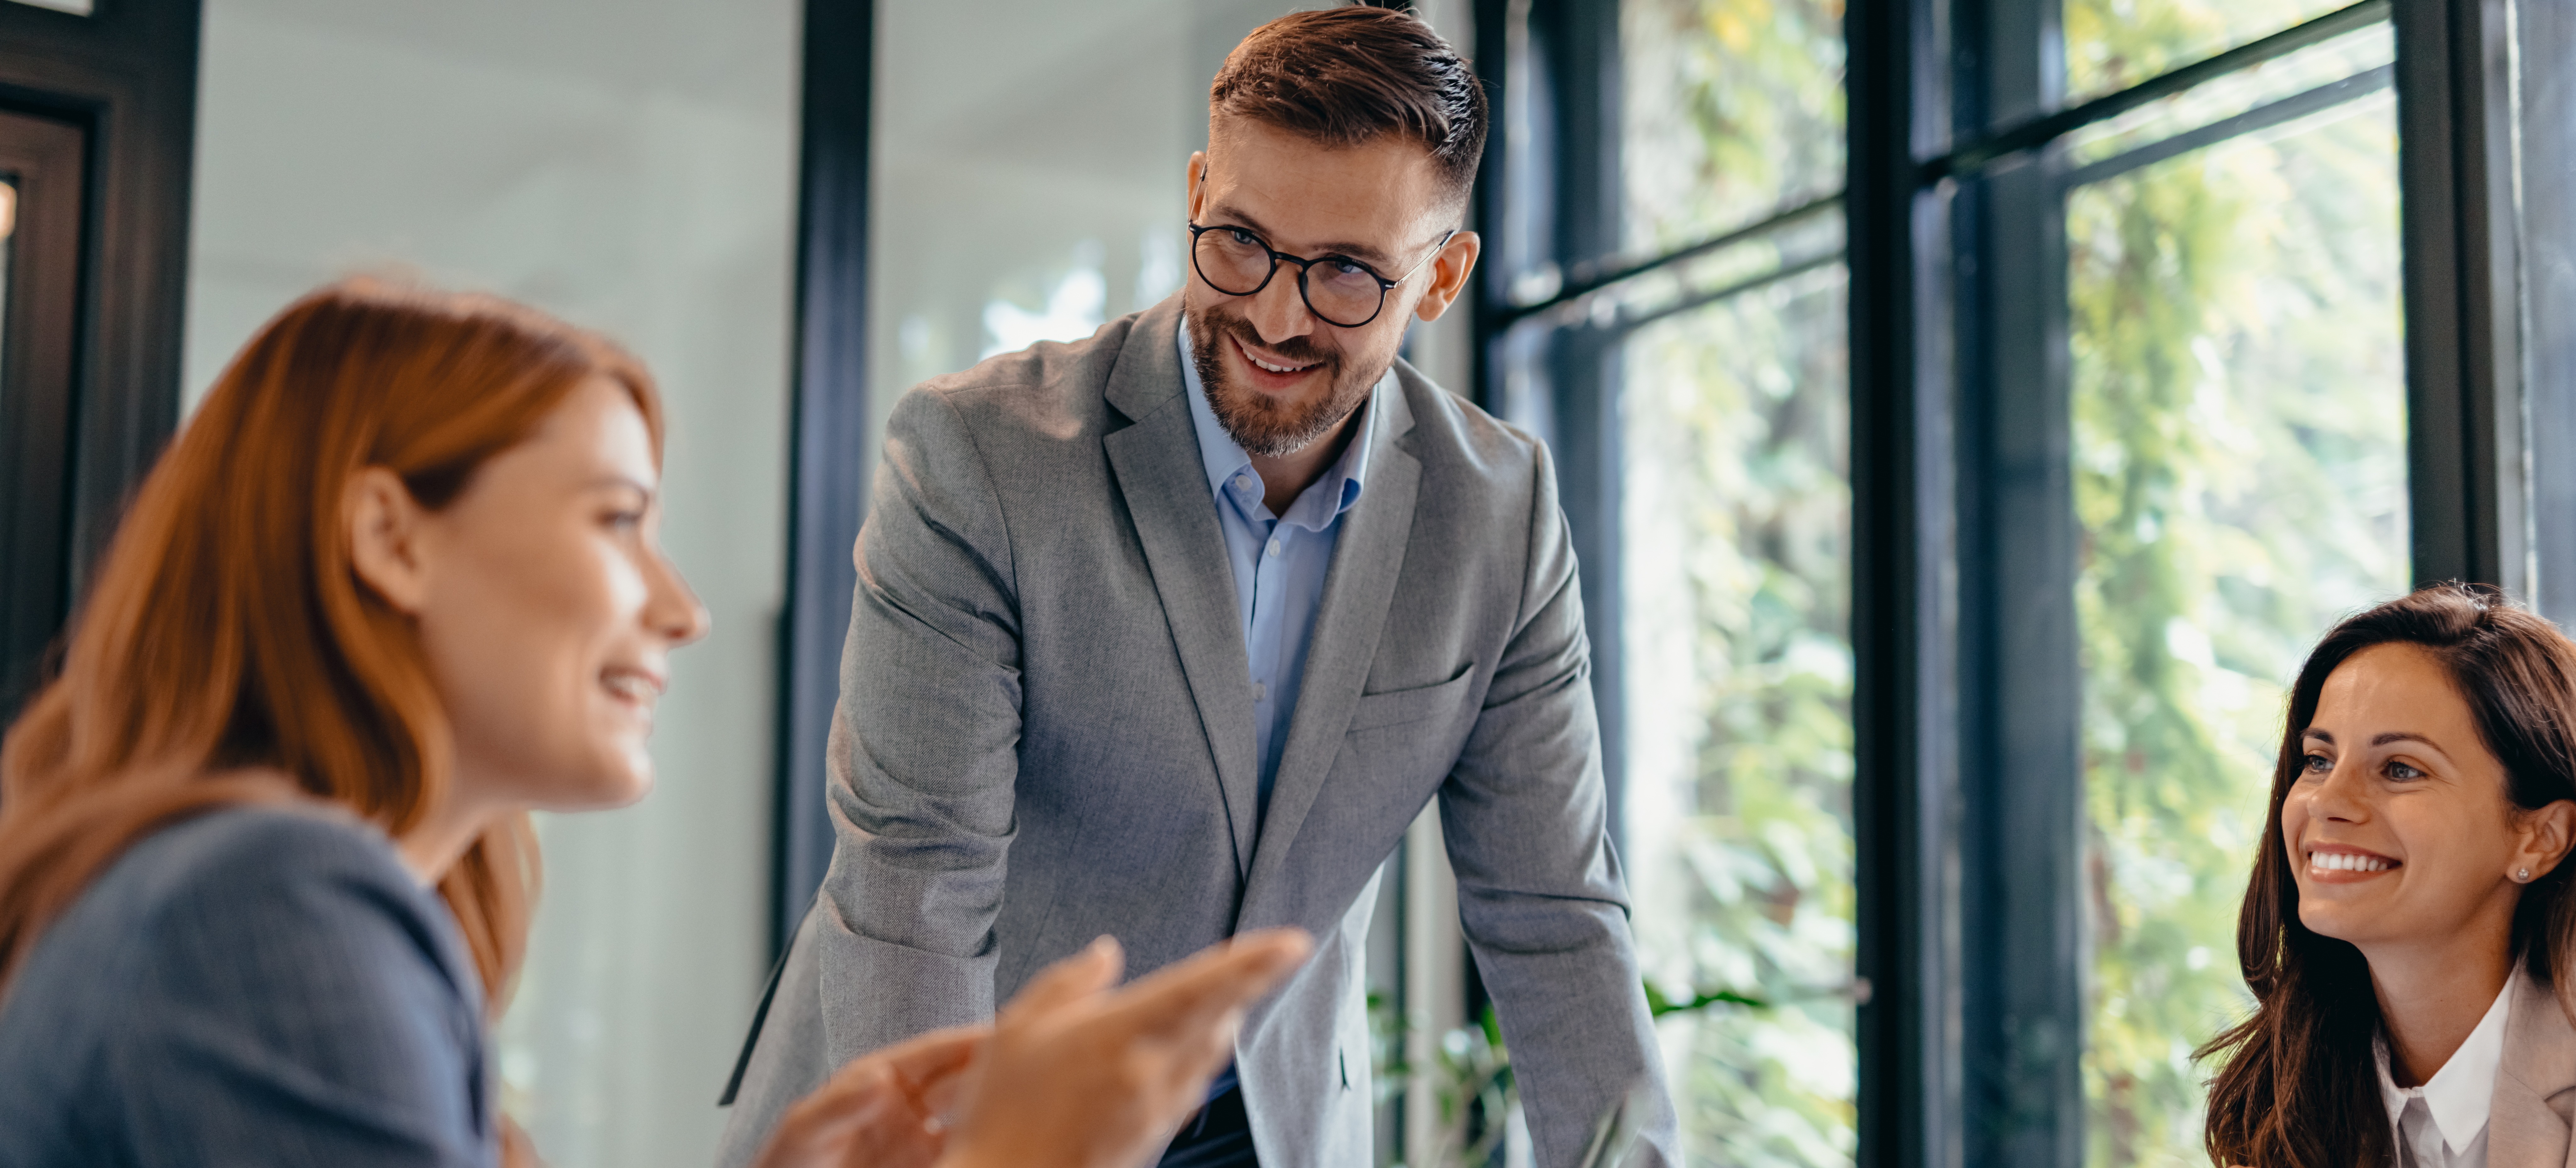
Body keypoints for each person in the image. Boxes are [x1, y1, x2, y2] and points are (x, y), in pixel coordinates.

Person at [0, 279, 1312, 1168]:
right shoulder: (270, 903)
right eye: (617, 518)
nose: (681, 609)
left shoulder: (234, 894)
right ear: (390, 538)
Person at [718, 9, 1675, 1166]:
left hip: (1269, 1124)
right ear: (1194, 192)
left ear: (1442, 278)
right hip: (969, 1101)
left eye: (1345, 276)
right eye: (1239, 242)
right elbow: (918, 886)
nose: (1275, 316)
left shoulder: (1498, 513)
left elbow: (1553, 915)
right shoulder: (980, 459)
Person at [2200, 584, 2576, 1167]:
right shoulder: (2281, 1093)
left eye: (2401, 768)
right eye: (2319, 760)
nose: (2329, 801)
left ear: (2540, 837)